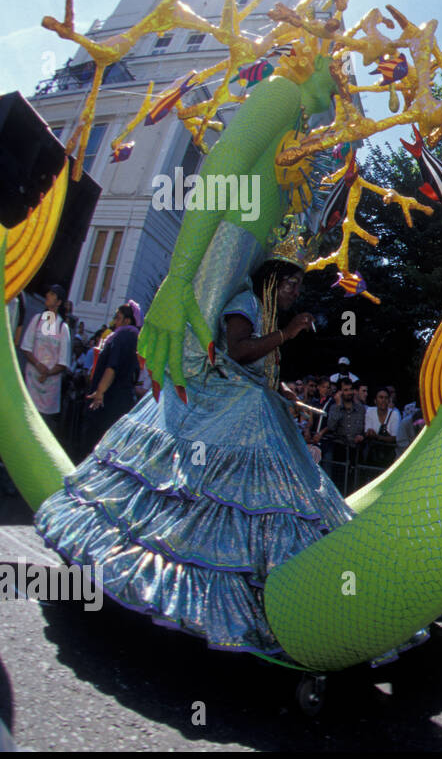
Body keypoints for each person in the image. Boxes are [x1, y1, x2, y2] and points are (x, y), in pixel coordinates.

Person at [34, 254, 343, 657]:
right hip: (218, 407)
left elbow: (251, 366)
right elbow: (239, 350)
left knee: (237, 498)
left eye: (299, 288)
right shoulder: (246, 303)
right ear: (272, 282)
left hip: (240, 406)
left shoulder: (260, 308)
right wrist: (289, 333)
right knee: (193, 494)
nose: (295, 293)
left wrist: (279, 388)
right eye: (291, 285)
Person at [83, 301, 142, 454]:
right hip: (121, 399)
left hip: (109, 401)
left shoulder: (122, 335)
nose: (114, 322)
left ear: (127, 321)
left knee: (96, 445)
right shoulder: (133, 337)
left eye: (117, 318)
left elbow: (112, 367)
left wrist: (100, 391)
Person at [19, 283, 72, 426]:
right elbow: (26, 347)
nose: (48, 295)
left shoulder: (62, 327)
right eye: (48, 293)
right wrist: (38, 364)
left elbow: (63, 361)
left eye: (53, 294)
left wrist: (47, 372)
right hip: (32, 381)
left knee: (42, 424)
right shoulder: (37, 320)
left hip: (49, 388)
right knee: (25, 419)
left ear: (59, 302)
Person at [363, 386, 401, 466]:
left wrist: (377, 436)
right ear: (375, 400)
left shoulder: (395, 414)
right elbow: (366, 432)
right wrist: (369, 433)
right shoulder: (369, 411)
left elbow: (395, 437)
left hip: (388, 456)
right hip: (372, 455)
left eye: (386, 398)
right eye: (381, 397)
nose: (383, 400)